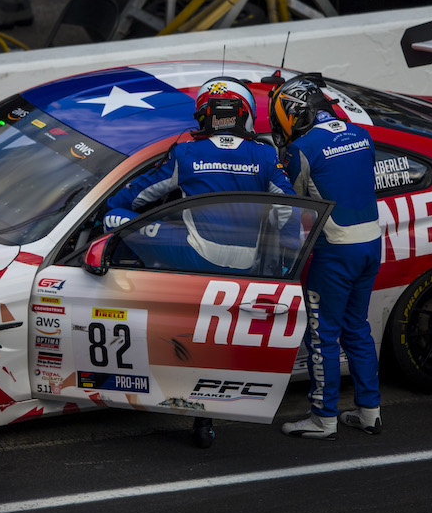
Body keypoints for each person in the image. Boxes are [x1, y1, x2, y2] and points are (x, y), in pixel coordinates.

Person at [269, 73, 384, 440]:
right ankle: (370, 413)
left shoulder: (303, 149)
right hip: (372, 244)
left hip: (334, 251)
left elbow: (291, 206)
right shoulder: (362, 135)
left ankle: (324, 418)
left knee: (322, 337)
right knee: (358, 330)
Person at [105, 76, 295, 273]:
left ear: (204, 114)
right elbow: (289, 211)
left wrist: (106, 207)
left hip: (198, 256)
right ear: (246, 114)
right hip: (246, 264)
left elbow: (136, 195)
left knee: (113, 217)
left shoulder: (186, 153)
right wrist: (289, 262)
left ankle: (118, 277)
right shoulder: (266, 154)